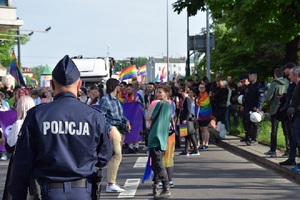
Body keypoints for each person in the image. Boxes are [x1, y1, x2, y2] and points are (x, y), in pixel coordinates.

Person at [7, 55, 112, 199]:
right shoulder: (94, 116)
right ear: (79, 85)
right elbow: (104, 156)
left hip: (48, 192)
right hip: (84, 191)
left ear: (51, 84)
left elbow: (22, 163)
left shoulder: (37, 115)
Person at [98, 78, 131, 193]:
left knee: (115, 156)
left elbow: (120, 114)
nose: (120, 88)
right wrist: (109, 128)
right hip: (113, 128)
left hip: (120, 128)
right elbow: (101, 116)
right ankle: (111, 183)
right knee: (117, 155)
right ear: (114, 86)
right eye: (119, 86)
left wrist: (126, 121)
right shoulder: (104, 100)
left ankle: (111, 182)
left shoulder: (116, 99)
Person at [3, 96, 36, 200]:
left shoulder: (18, 124)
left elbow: (10, 147)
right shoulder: (36, 123)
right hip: (34, 163)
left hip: (18, 162)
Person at [146, 84, 172, 199]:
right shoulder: (168, 105)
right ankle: (156, 186)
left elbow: (149, 117)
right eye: (157, 92)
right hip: (162, 137)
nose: (158, 94)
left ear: (166, 93)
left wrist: (150, 108)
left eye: (160, 92)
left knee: (158, 164)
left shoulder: (160, 104)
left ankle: (166, 188)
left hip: (155, 136)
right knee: (157, 163)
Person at [263, 68, 289, 157]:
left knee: (274, 130)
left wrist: (266, 106)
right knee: (286, 130)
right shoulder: (287, 82)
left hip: (275, 108)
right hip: (284, 108)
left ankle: (273, 150)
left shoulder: (274, 83)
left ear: (275, 74)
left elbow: (269, 97)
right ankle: (288, 149)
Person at [279, 62, 298, 166]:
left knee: (296, 138)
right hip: (289, 113)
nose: (288, 76)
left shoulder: (297, 85)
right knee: (291, 137)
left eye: (290, 74)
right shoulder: (292, 84)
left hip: (295, 114)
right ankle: (291, 158)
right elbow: (291, 97)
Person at [241, 70, 264, 145]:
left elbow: (260, 98)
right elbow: (245, 97)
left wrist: (258, 107)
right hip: (248, 107)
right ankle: (249, 137)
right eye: (249, 76)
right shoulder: (249, 86)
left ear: (255, 76)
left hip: (254, 107)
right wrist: (243, 105)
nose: (249, 77)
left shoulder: (259, 86)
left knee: (255, 122)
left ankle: (254, 139)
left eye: (251, 76)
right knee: (247, 122)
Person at [178, 86, 199, 156]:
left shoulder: (187, 99)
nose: (181, 93)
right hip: (184, 119)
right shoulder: (185, 99)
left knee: (190, 134)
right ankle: (186, 150)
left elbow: (188, 110)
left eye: (182, 91)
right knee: (187, 135)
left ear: (185, 92)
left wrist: (185, 119)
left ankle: (195, 150)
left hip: (186, 120)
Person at [286, 66, 300, 171]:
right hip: (295, 116)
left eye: (291, 75)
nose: (289, 77)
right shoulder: (296, 86)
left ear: (296, 75)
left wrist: (295, 108)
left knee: (299, 140)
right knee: (296, 140)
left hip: (298, 115)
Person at [196, 83, 213, 150]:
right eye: (200, 87)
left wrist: (198, 102)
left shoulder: (205, 95)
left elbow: (203, 103)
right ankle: (203, 143)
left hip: (206, 115)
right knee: (202, 129)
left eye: (203, 87)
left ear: (205, 88)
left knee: (205, 129)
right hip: (200, 115)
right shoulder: (199, 95)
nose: (201, 89)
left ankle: (206, 144)